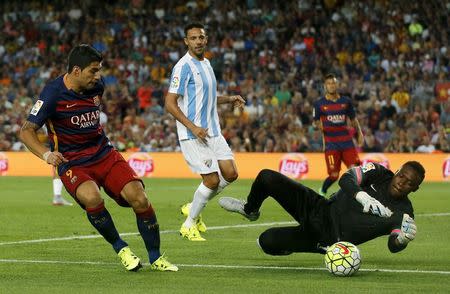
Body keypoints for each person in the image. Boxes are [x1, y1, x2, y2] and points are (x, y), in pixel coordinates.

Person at [19, 44, 177, 272]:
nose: (98, 76)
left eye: (99, 70)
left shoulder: (97, 87)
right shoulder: (52, 93)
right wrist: (46, 154)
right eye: (93, 70)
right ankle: (121, 247)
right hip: (72, 160)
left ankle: (155, 257)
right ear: (76, 71)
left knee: (139, 198)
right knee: (91, 198)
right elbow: (26, 130)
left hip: (103, 152)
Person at [219, 161, 424, 256]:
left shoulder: (404, 213)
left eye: (409, 183)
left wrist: (401, 241)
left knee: (266, 242)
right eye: (401, 176)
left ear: (415, 189)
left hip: (327, 238)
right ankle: (250, 209)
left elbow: (392, 246)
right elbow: (347, 178)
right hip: (319, 207)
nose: (401, 182)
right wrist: (360, 195)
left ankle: (304, 245)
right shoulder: (378, 172)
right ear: (396, 172)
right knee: (266, 176)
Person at [165, 22, 245, 241]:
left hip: (213, 130)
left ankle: (193, 205)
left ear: (206, 39)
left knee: (230, 174)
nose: (198, 41)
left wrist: (229, 98)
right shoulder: (183, 67)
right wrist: (193, 127)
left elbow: (207, 98)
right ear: (186, 41)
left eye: (201, 37)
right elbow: (170, 103)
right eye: (193, 38)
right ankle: (189, 224)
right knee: (210, 181)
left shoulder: (207, 63)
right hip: (193, 133)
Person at [313, 73, 364, 196]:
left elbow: (353, 120)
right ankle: (323, 191)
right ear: (325, 86)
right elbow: (315, 121)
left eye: (333, 83)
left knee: (355, 171)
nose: (331, 86)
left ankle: (359, 195)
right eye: (329, 83)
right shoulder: (319, 104)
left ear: (337, 85)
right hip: (331, 145)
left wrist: (360, 133)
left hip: (347, 142)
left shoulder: (346, 101)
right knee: (334, 175)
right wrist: (320, 127)